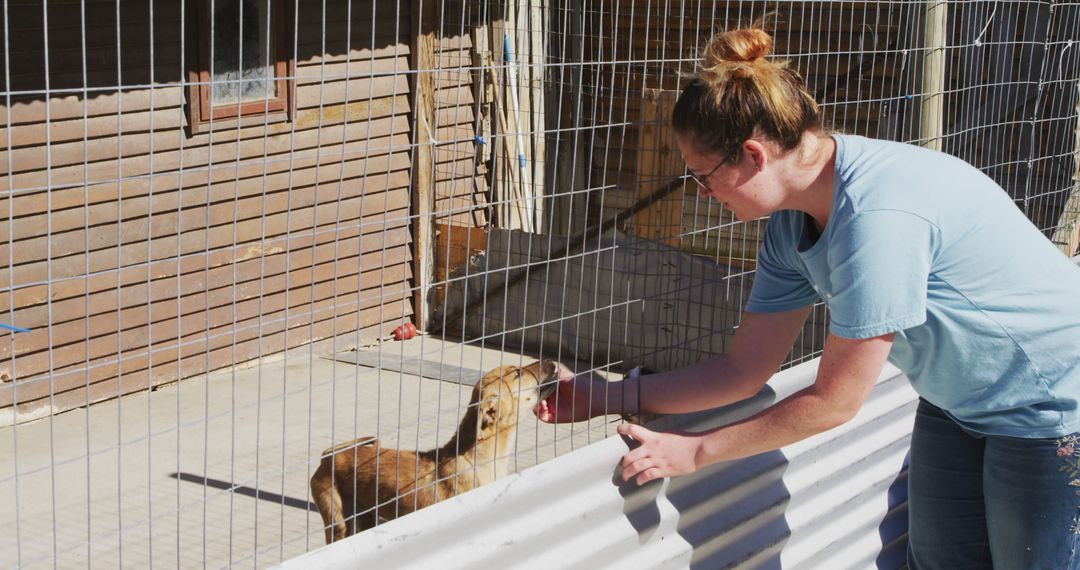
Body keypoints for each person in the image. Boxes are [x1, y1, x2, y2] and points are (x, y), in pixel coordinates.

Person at [534, 23, 1080, 569]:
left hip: (1051, 403)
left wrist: (697, 450)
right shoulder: (791, 224)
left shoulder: (875, 218)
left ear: (752, 155)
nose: (703, 194)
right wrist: (607, 396)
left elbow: (835, 401)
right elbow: (742, 370)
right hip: (961, 400)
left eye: (702, 177)